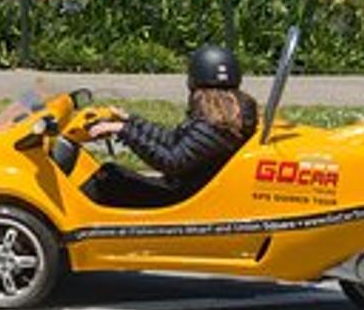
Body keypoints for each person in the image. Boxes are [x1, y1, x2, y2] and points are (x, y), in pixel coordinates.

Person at [82, 43, 259, 207]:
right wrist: (130, 120)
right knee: (111, 173)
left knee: (108, 179)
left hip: (181, 196)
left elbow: (171, 162)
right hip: (188, 189)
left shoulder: (216, 123)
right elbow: (173, 140)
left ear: (193, 80)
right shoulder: (226, 115)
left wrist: (124, 130)